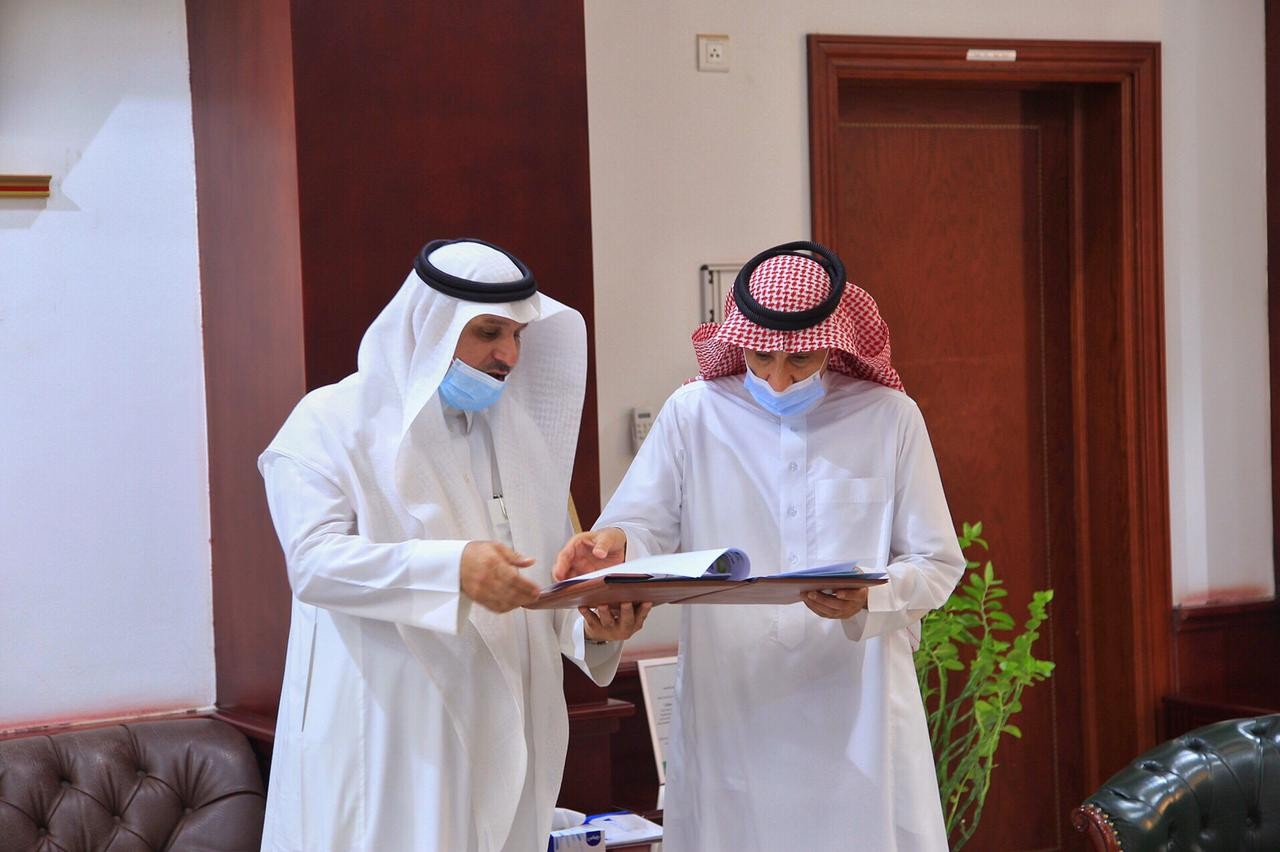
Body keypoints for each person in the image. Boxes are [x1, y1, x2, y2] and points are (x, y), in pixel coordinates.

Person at [555, 241, 965, 851]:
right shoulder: (694, 413)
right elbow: (640, 528)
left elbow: (936, 561)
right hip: (731, 705)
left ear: (833, 343)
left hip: (859, 710)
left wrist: (873, 597)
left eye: (799, 358)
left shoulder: (889, 417)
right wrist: (616, 543)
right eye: (761, 355)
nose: (777, 378)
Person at [258, 238, 650, 851]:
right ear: (429, 326)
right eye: (489, 332)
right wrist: (453, 571)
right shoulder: (330, 422)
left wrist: (595, 623)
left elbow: (540, 589)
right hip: (392, 740)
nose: (508, 355)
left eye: (517, 334)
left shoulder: (517, 437)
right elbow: (314, 565)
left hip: (509, 736)